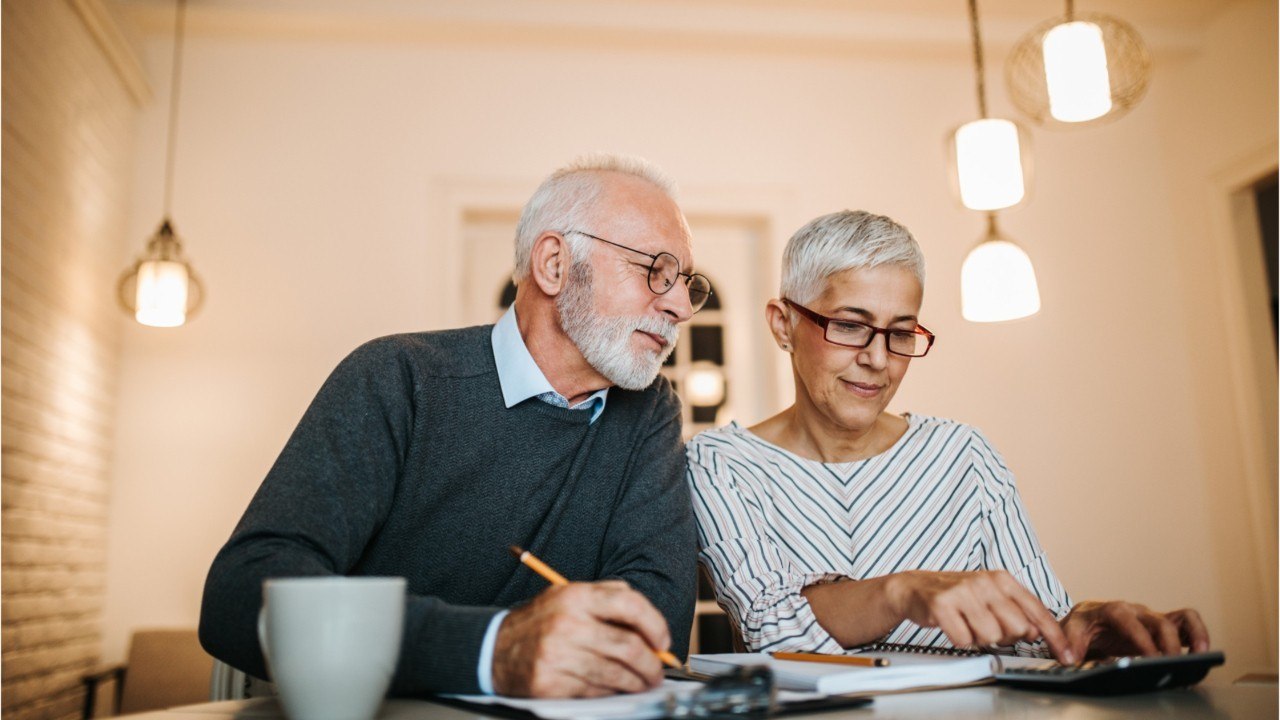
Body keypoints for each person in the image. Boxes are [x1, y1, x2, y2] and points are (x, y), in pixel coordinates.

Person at [200, 154, 712, 698]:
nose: (680, 305)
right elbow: (240, 595)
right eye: (655, 269)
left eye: (685, 282)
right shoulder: (399, 377)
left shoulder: (649, 410)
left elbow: (654, 629)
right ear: (554, 265)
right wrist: (493, 649)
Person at [687, 210, 1209, 664]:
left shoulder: (965, 455)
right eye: (850, 325)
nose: (877, 358)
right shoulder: (719, 464)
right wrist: (903, 591)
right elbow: (773, 631)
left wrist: (1090, 625)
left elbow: (1037, 634)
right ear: (783, 325)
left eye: (900, 333)